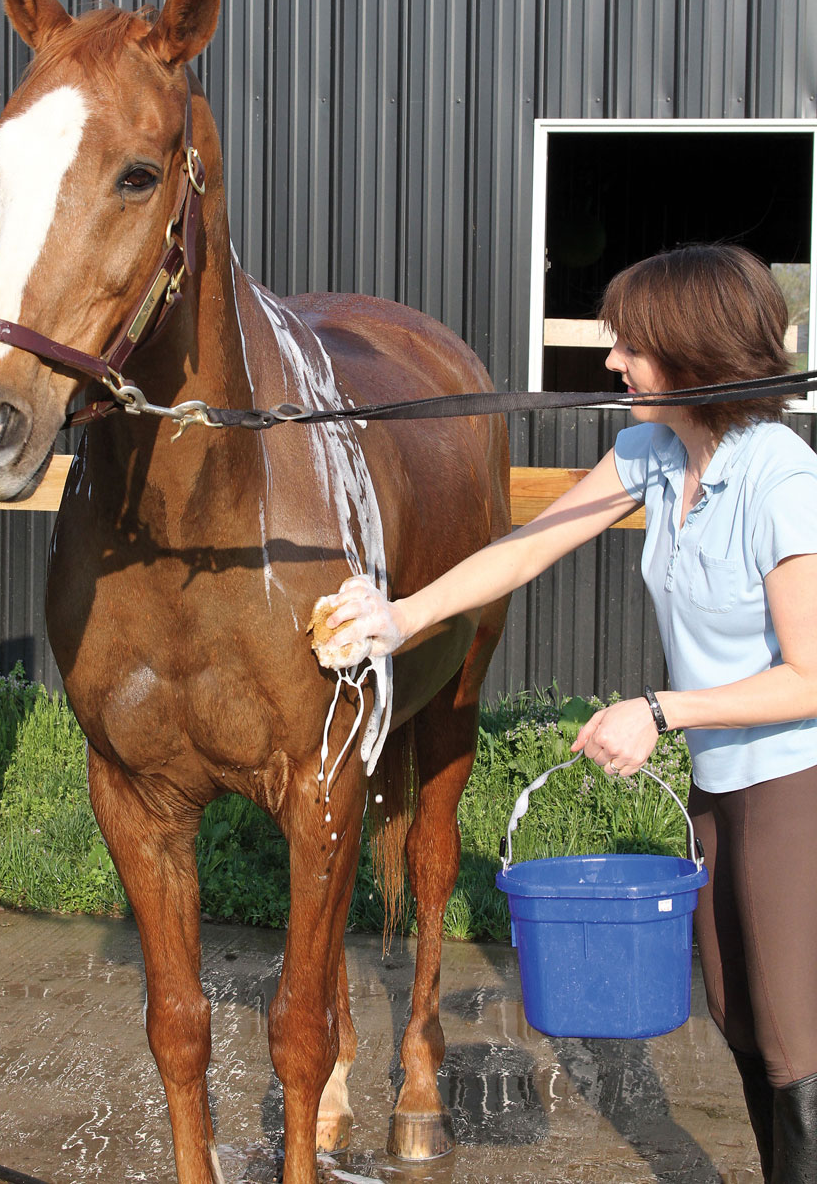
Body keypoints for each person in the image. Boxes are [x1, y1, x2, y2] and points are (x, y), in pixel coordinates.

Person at [318, 244, 817, 1184]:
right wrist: (402, 616)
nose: (614, 364)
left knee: (794, 1045)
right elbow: (524, 547)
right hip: (720, 778)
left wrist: (659, 711)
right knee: (742, 1021)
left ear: (694, 356)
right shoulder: (657, 451)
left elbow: (811, 677)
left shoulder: (780, 479)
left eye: (632, 348)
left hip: (794, 781)